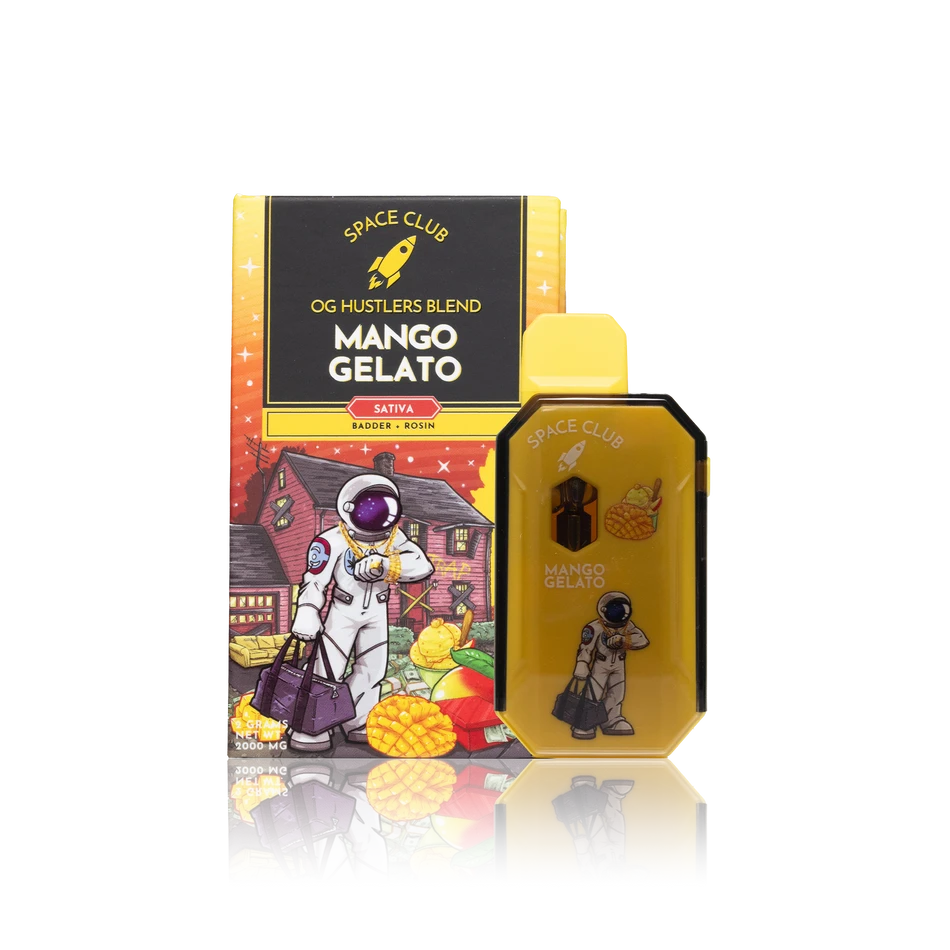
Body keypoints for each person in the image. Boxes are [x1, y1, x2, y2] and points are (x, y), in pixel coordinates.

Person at [288, 472, 434, 751]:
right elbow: (315, 581)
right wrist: (307, 610)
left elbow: (422, 564)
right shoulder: (331, 541)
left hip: (377, 611)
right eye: (371, 509)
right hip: (343, 611)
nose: (378, 517)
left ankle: (356, 720)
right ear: (349, 507)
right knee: (325, 669)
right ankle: (310, 727)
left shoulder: (394, 539)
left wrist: (387, 565)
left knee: (372, 670)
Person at [571, 590, 649, 739]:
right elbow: (586, 648)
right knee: (592, 693)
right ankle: (584, 722)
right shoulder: (594, 627)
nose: (620, 615)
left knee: (617, 693)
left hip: (619, 665)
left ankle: (612, 720)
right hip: (601, 665)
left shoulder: (627, 627)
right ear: (604, 609)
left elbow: (642, 639)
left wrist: (623, 640)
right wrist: (582, 663)